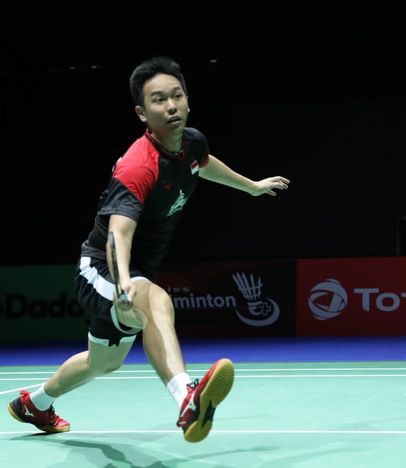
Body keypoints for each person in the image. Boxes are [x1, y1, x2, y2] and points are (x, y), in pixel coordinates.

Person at [7, 56, 290, 441]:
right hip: (102, 270)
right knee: (157, 301)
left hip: (133, 271)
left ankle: (33, 404)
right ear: (142, 113)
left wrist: (251, 186)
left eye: (177, 96)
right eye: (159, 100)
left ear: (188, 100)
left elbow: (202, 164)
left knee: (103, 363)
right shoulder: (139, 166)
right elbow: (117, 235)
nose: (171, 106)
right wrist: (124, 281)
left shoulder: (191, 142)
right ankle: (187, 399)